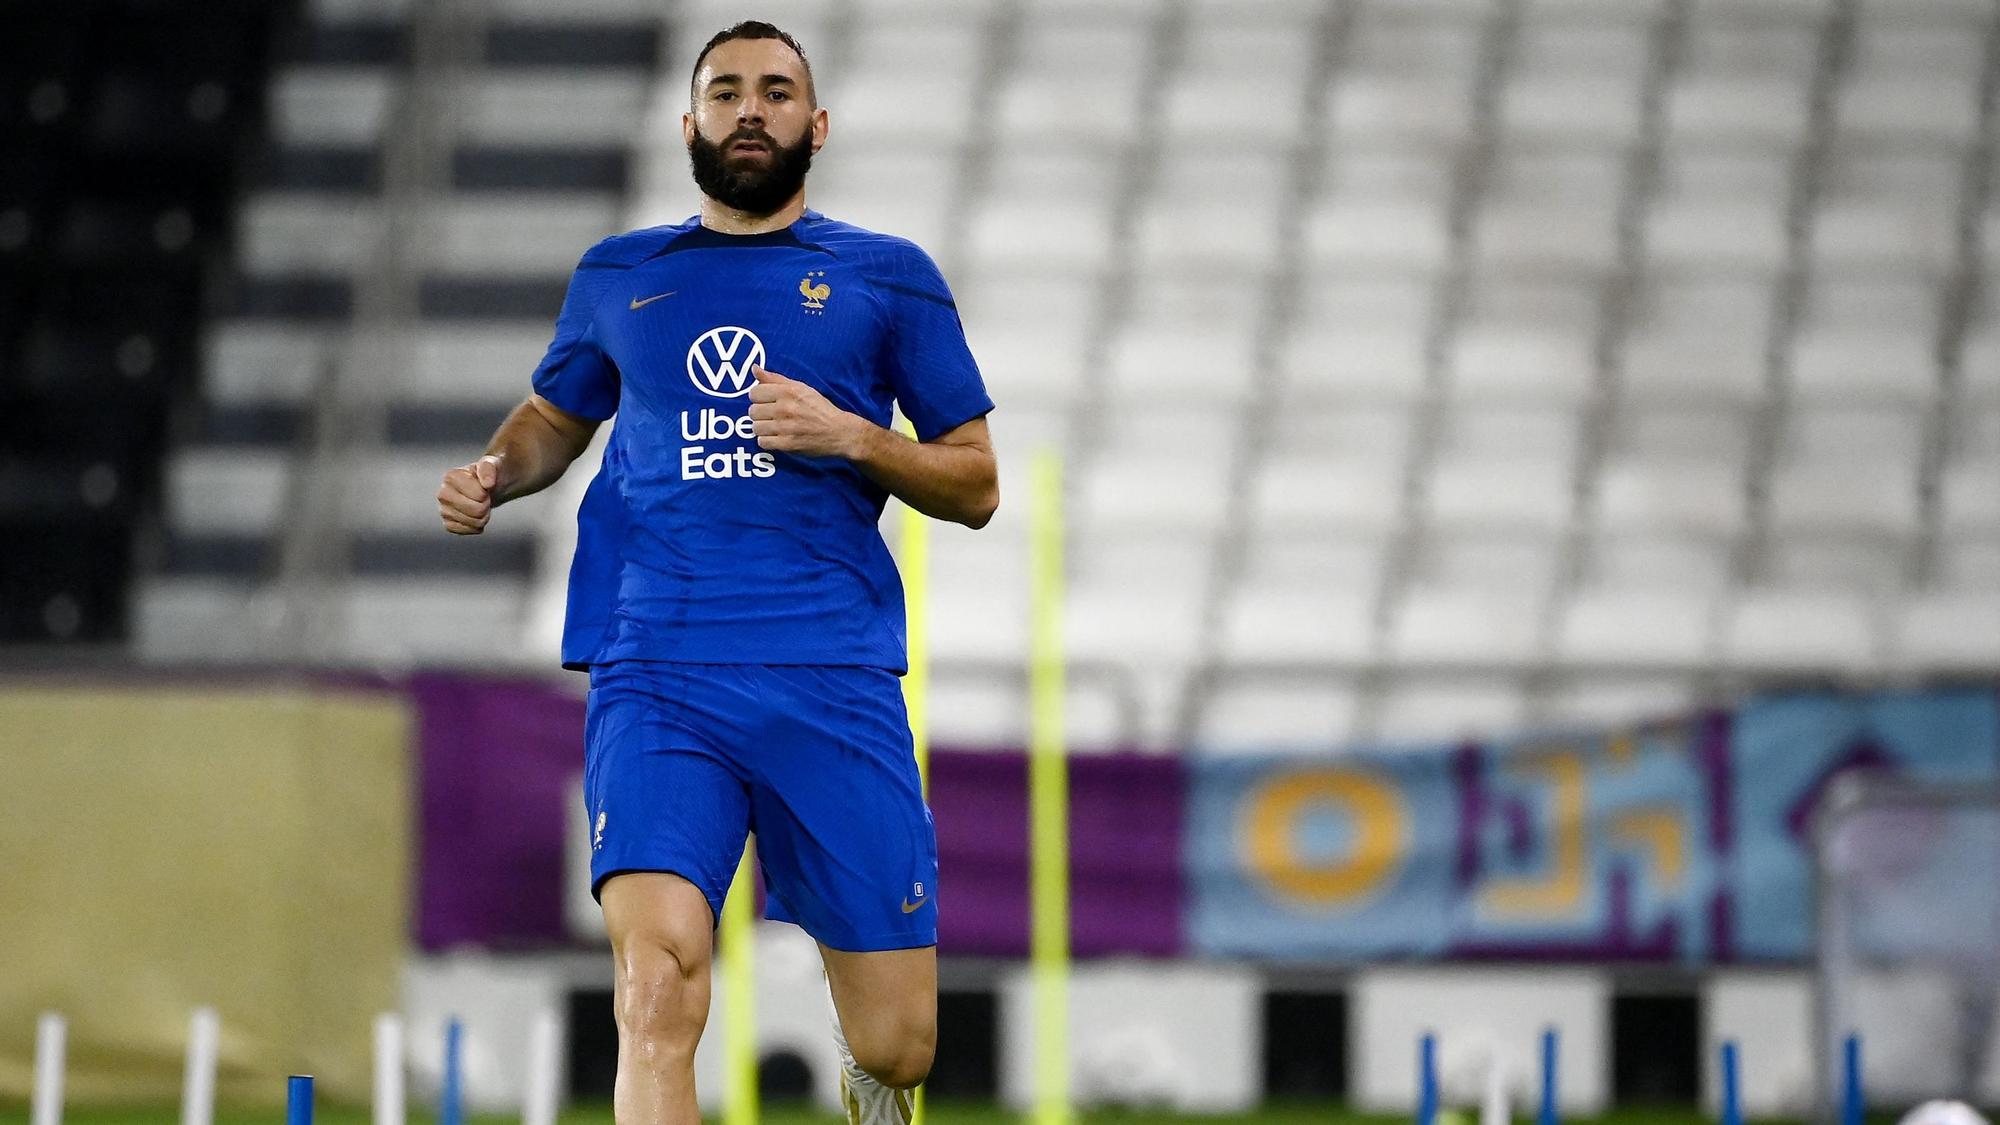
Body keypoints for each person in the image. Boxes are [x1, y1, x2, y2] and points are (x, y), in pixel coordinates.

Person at [434, 21, 997, 1125]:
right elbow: (555, 415)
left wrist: (855, 438)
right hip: (656, 673)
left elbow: (974, 484)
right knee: (655, 989)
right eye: (726, 92)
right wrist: (502, 470)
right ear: (686, 121)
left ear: (815, 124)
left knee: (904, 1043)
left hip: (830, 674)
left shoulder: (888, 278)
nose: (751, 109)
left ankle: (863, 1072)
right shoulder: (618, 273)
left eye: (776, 92)